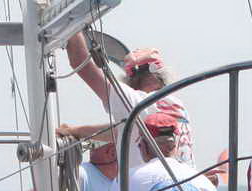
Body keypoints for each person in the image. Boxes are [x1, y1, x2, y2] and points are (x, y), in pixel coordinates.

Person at [65, 33, 194, 170]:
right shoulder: (178, 107)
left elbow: (79, 62)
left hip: (152, 182)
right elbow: (120, 131)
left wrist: (73, 28)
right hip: (188, 180)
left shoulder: (138, 102)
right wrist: (75, 131)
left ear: (132, 79)